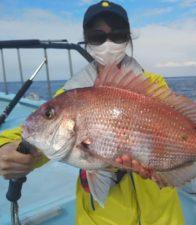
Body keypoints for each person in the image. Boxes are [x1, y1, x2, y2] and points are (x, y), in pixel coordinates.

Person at [0, 1, 184, 225]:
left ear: (128, 38)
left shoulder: (154, 85)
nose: (108, 43)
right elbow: (41, 134)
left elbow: (178, 134)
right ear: (87, 41)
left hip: (162, 217)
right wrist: (8, 149)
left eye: (117, 35)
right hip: (99, 219)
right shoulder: (69, 96)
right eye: (98, 37)